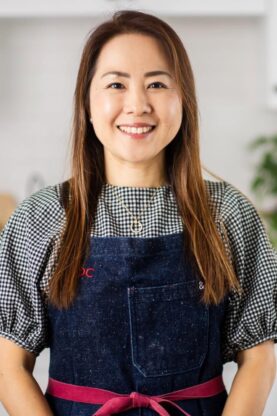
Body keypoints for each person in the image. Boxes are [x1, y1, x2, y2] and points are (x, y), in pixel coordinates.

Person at [0, 9, 276, 416]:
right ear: (87, 103)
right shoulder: (39, 218)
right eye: (116, 84)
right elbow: (10, 367)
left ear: (183, 100)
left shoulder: (230, 214)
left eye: (157, 84)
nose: (138, 104)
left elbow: (258, 356)